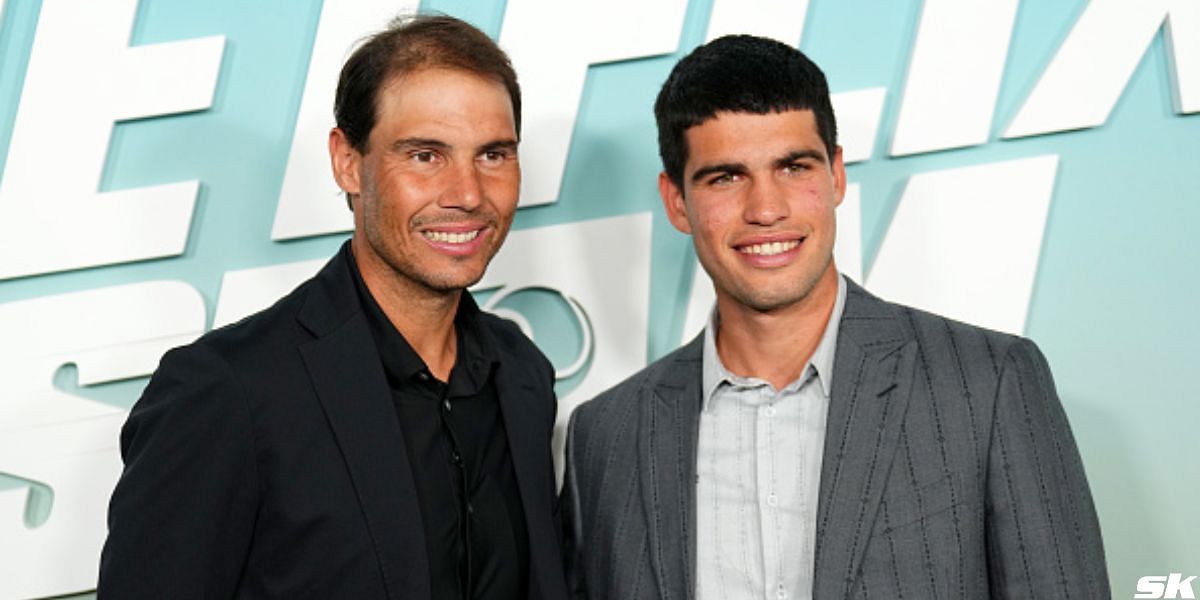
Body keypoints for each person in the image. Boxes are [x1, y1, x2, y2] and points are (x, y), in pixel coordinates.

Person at [560, 35, 1109, 599]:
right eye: (726, 177)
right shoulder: (604, 437)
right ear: (677, 201)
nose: (766, 209)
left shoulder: (986, 384)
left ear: (836, 175)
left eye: (794, 167)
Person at [99, 15, 569, 600]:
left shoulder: (522, 372)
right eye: (425, 155)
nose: (468, 194)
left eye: (494, 155)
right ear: (348, 162)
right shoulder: (226, 390)